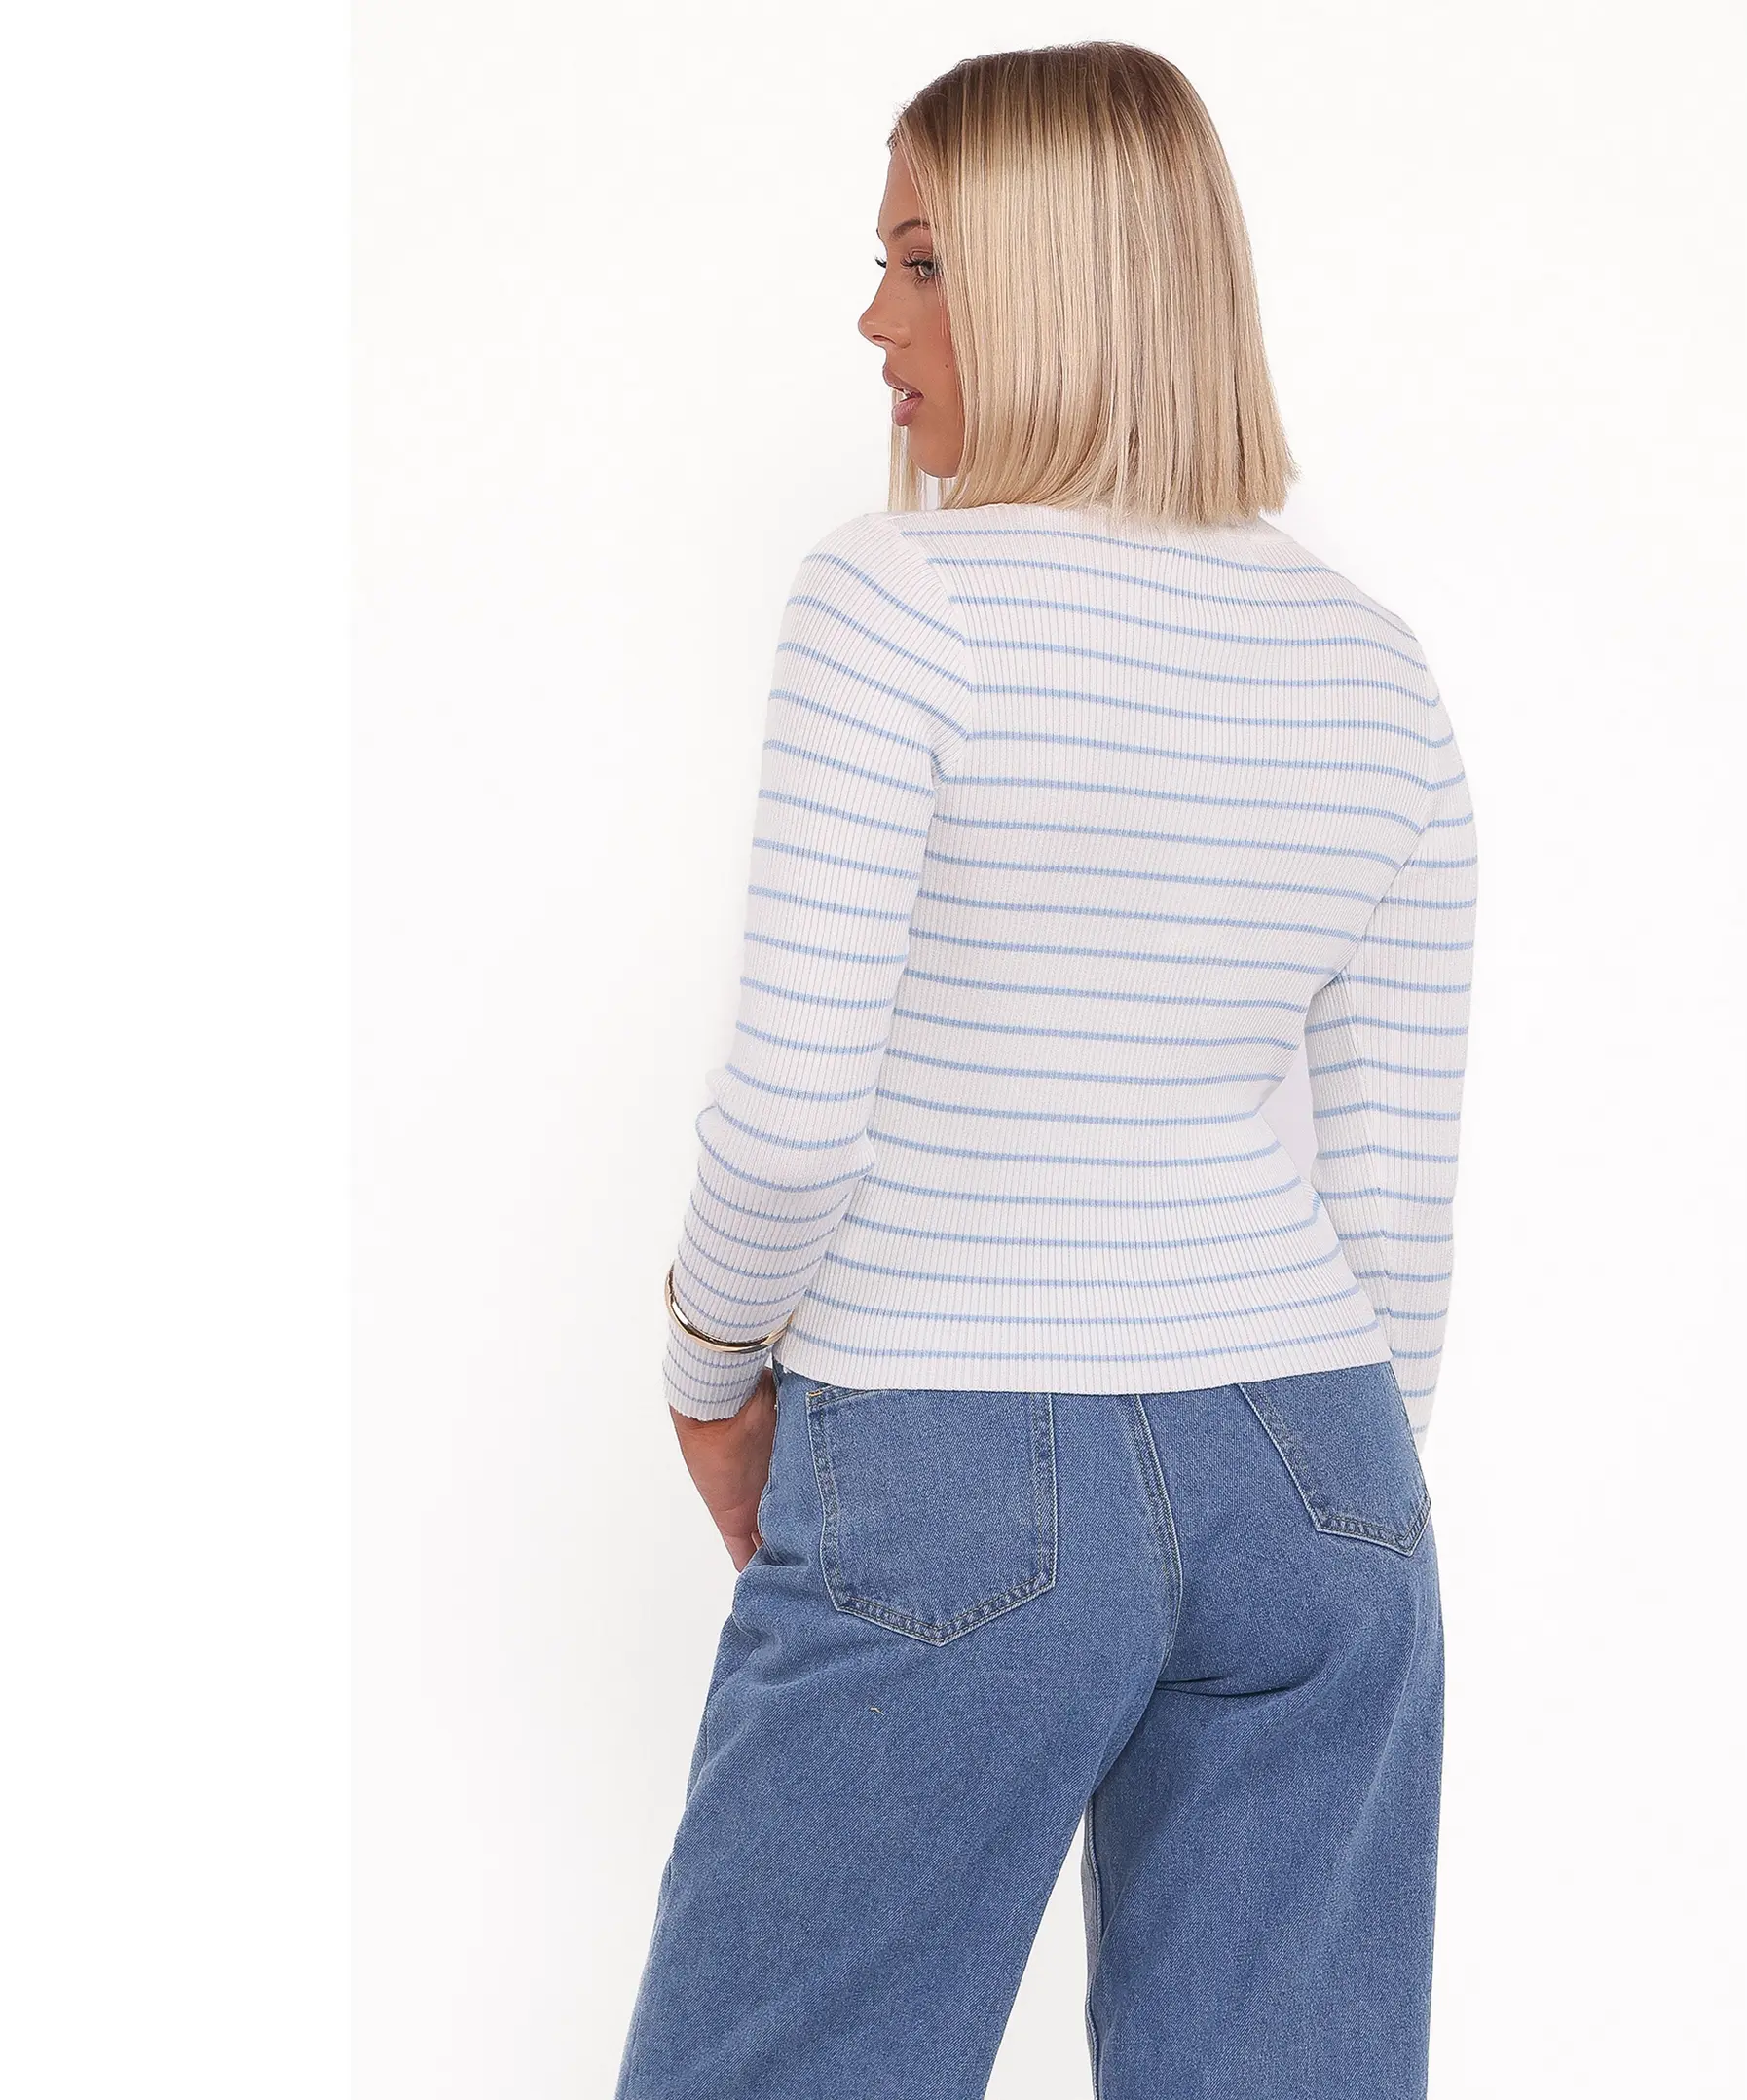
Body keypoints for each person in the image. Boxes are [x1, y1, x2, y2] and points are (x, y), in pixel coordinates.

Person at [615, 41, 1475, 2100]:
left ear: (1057, 283)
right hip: (1327, 1473)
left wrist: (711, 1368)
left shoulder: (893, 600)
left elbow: (794, 1116)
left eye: (920, 261)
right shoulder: (1376, 664)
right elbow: (1394, 1217)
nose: (873, 321)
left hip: (951, 1450)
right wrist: (1317, 1502)